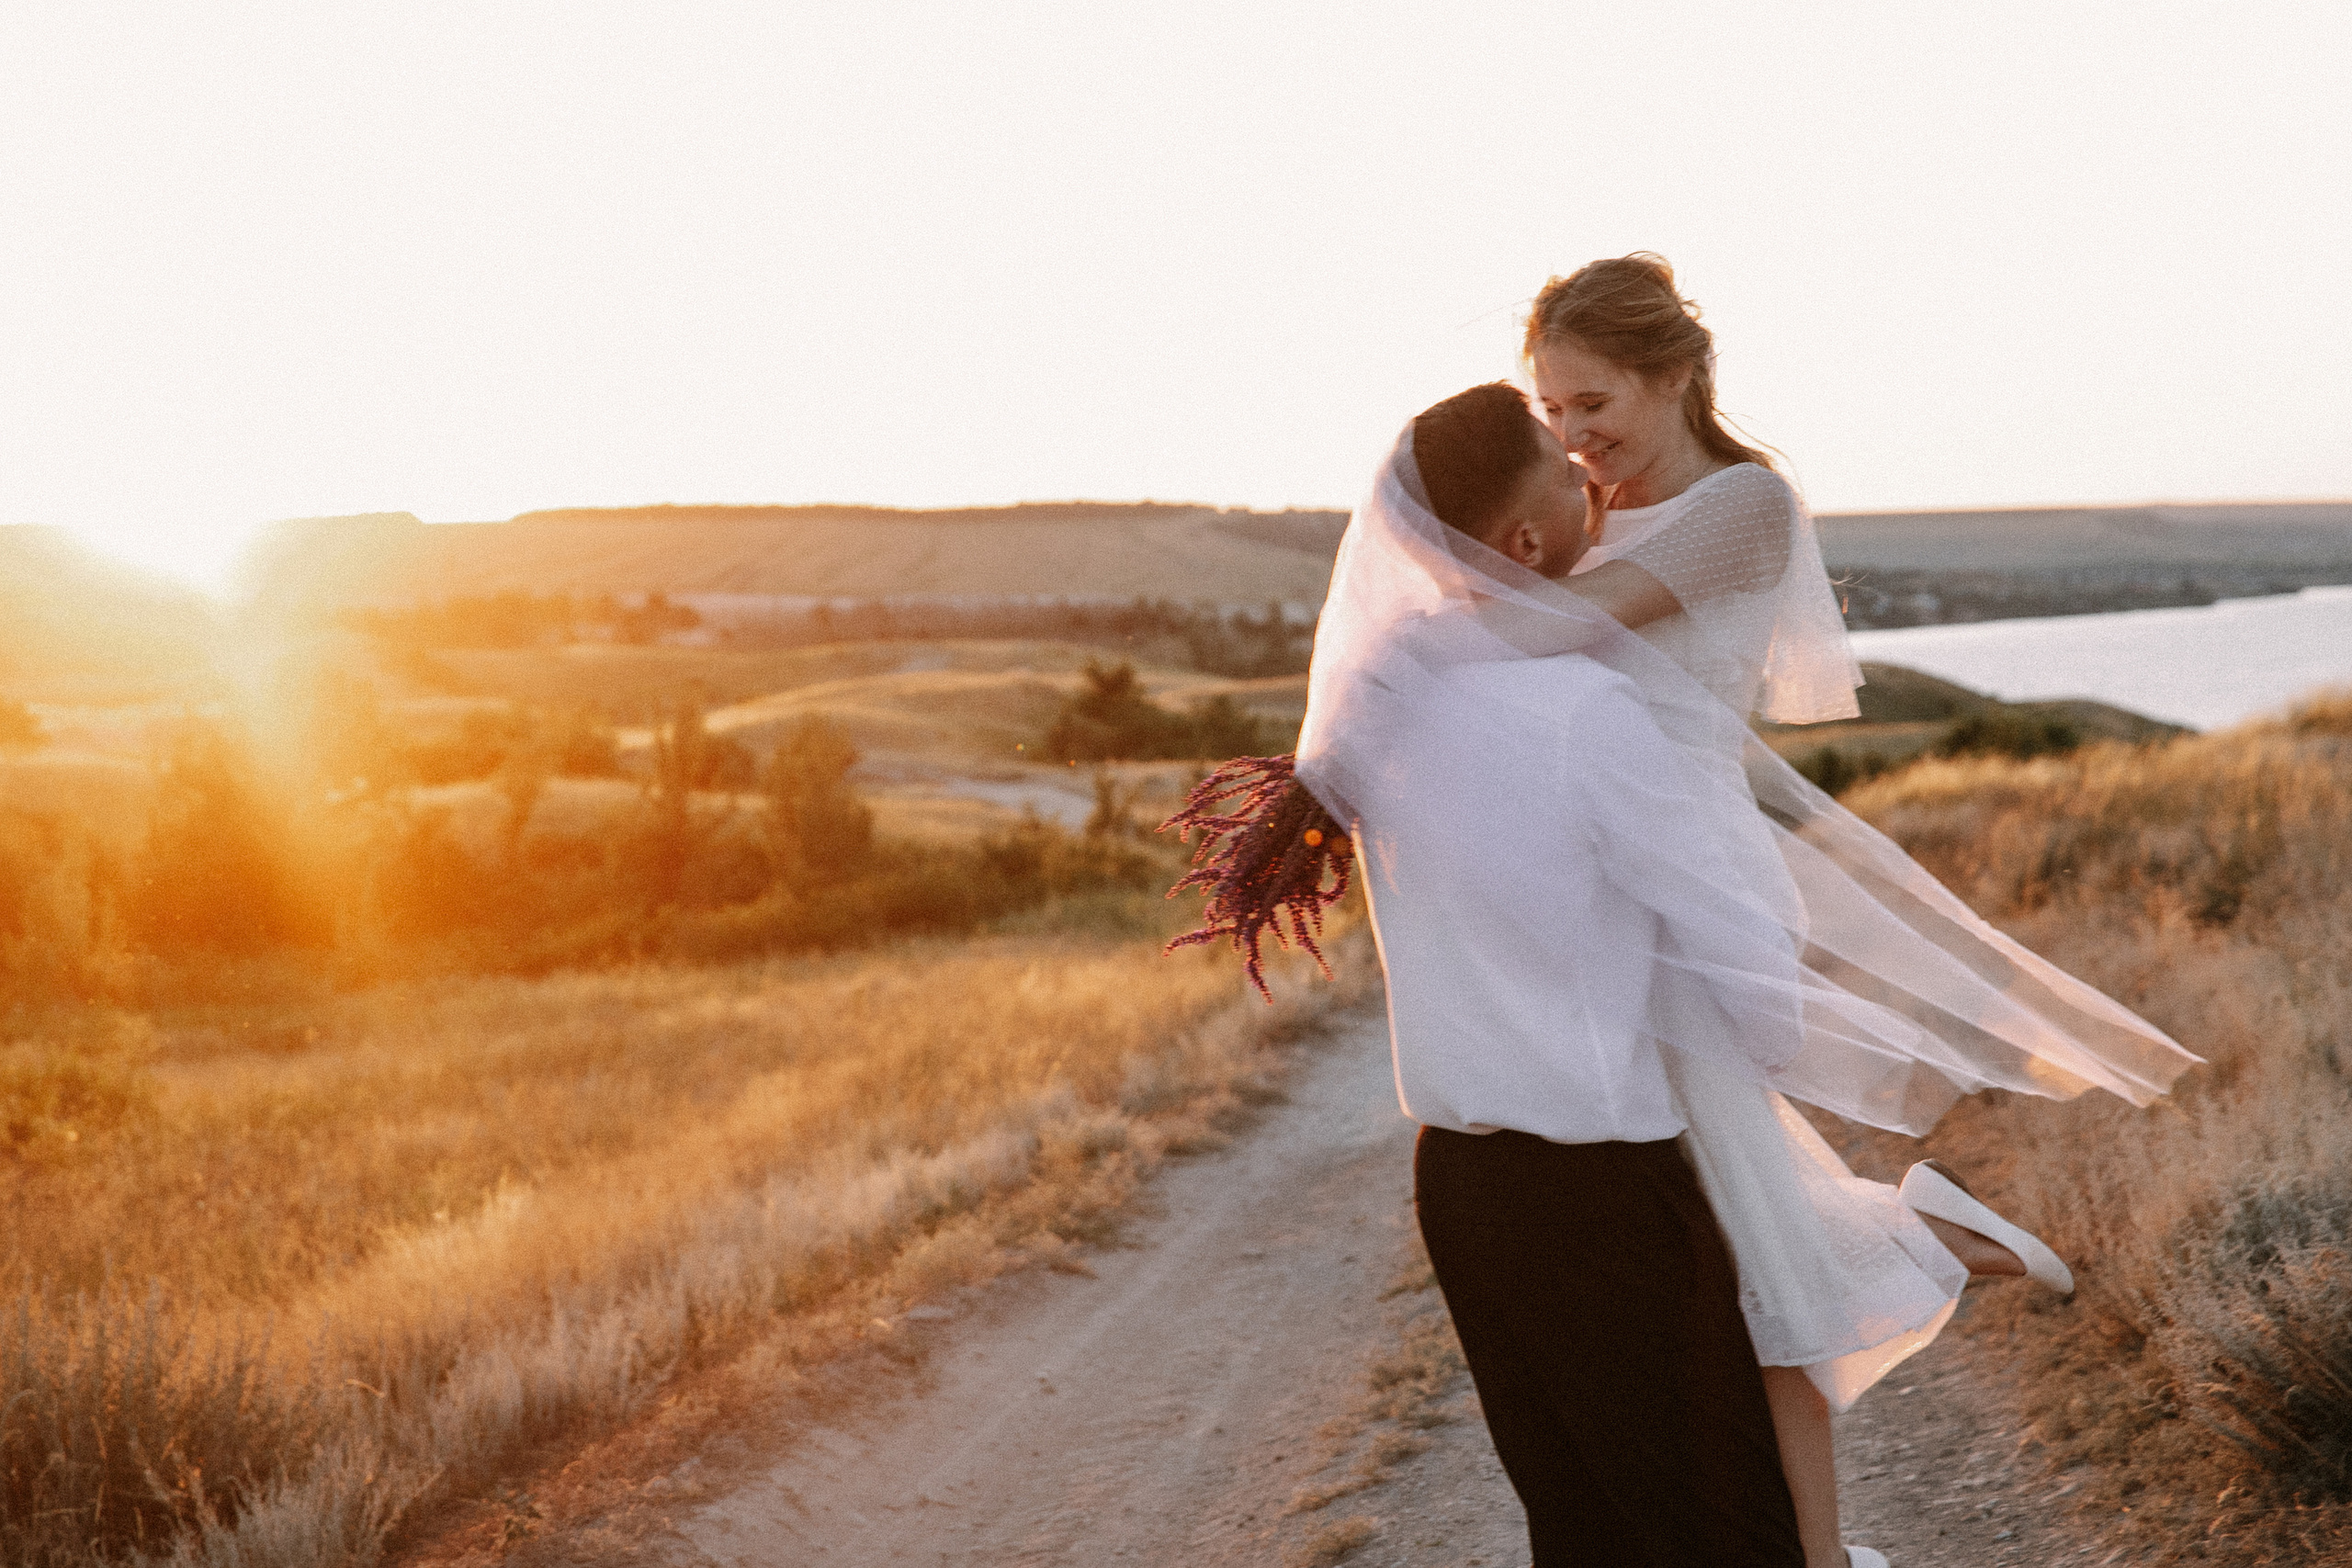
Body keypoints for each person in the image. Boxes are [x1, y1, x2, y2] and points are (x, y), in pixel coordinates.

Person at [1165, 369, 2199, 1564]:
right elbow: (1744, 944)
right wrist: (1748, 1062)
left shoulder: (1388, 699)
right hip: (1606, 1199)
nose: (1583, 465)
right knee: (1726, 1538)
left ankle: (1892, 1237)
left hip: (1459, 1193)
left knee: (1587, 1535)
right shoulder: (1585, 714)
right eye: (1561, 462)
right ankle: (1896, 1236)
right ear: (1528, 538)